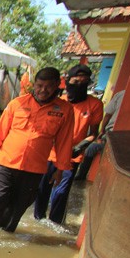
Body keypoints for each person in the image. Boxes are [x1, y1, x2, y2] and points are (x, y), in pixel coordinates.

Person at [0, 67, 75, 238]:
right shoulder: (17, 104)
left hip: (34, 169)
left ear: (56, 86)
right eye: (39, 85)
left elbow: (64, 142)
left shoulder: (64, 110)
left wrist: (60, 170)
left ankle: (5, 238)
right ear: (34, 85)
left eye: (48, 86)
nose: (43, 90)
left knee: (18, 207)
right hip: (5, 163)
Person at [34, 65, 103, 224]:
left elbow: (94, 133)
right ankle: (38, 220)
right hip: (48, 154)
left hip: (71, 157)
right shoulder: (59, 103)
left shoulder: (94, 105)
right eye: (76, 81)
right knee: (41, 190)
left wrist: (79, 147)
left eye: (84, 82)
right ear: (67, 82)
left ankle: (55, 223)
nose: (80, 85)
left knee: (61, 192)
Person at [74, 89, 124, 180]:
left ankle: (82, 174)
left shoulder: (120, 94)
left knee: (91, 149)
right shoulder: (121, 95)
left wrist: (102, 131)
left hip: (111, 134)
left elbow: (108, 115)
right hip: (113, 135)